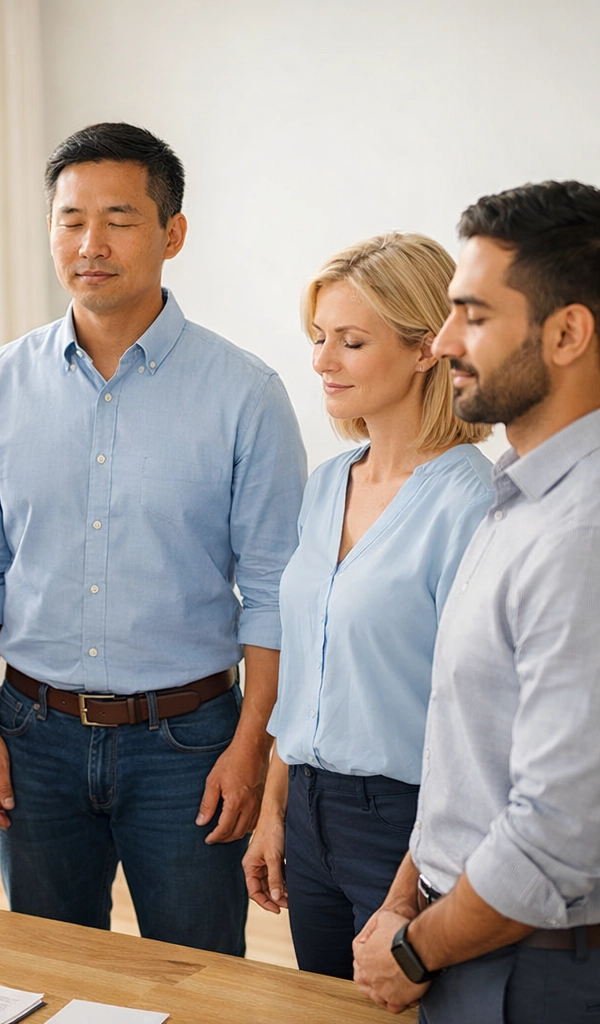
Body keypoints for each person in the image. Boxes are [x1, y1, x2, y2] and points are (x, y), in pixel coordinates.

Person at [0, 122, 307, 956]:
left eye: (119, 218)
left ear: (173, 234)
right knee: (47, 968)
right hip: (31, 734)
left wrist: (252, 745)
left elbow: (277, 589)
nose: (90, 243)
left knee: (197, 973)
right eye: (70, 219)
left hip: (190, 744)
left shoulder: (246, 394)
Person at [353, 180, 600, 1020]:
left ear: (567, 332)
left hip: (532, 971)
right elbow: (467, 755)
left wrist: (417, 946)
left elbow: (556, 836)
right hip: (466, 935)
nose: (446, 341)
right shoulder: (518, 497)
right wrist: (403, 900)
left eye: (477, 315)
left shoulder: (581, 536)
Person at [242, 234, 493, 978]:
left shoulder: (471, 504)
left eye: (351, 341)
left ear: (427, 349)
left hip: (411, 825)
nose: (321, 361)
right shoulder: (327, 484)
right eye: (319, 338)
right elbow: (304, 680)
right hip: (309, 812)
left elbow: (470, 722)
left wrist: (409, 888)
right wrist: (275, 812)